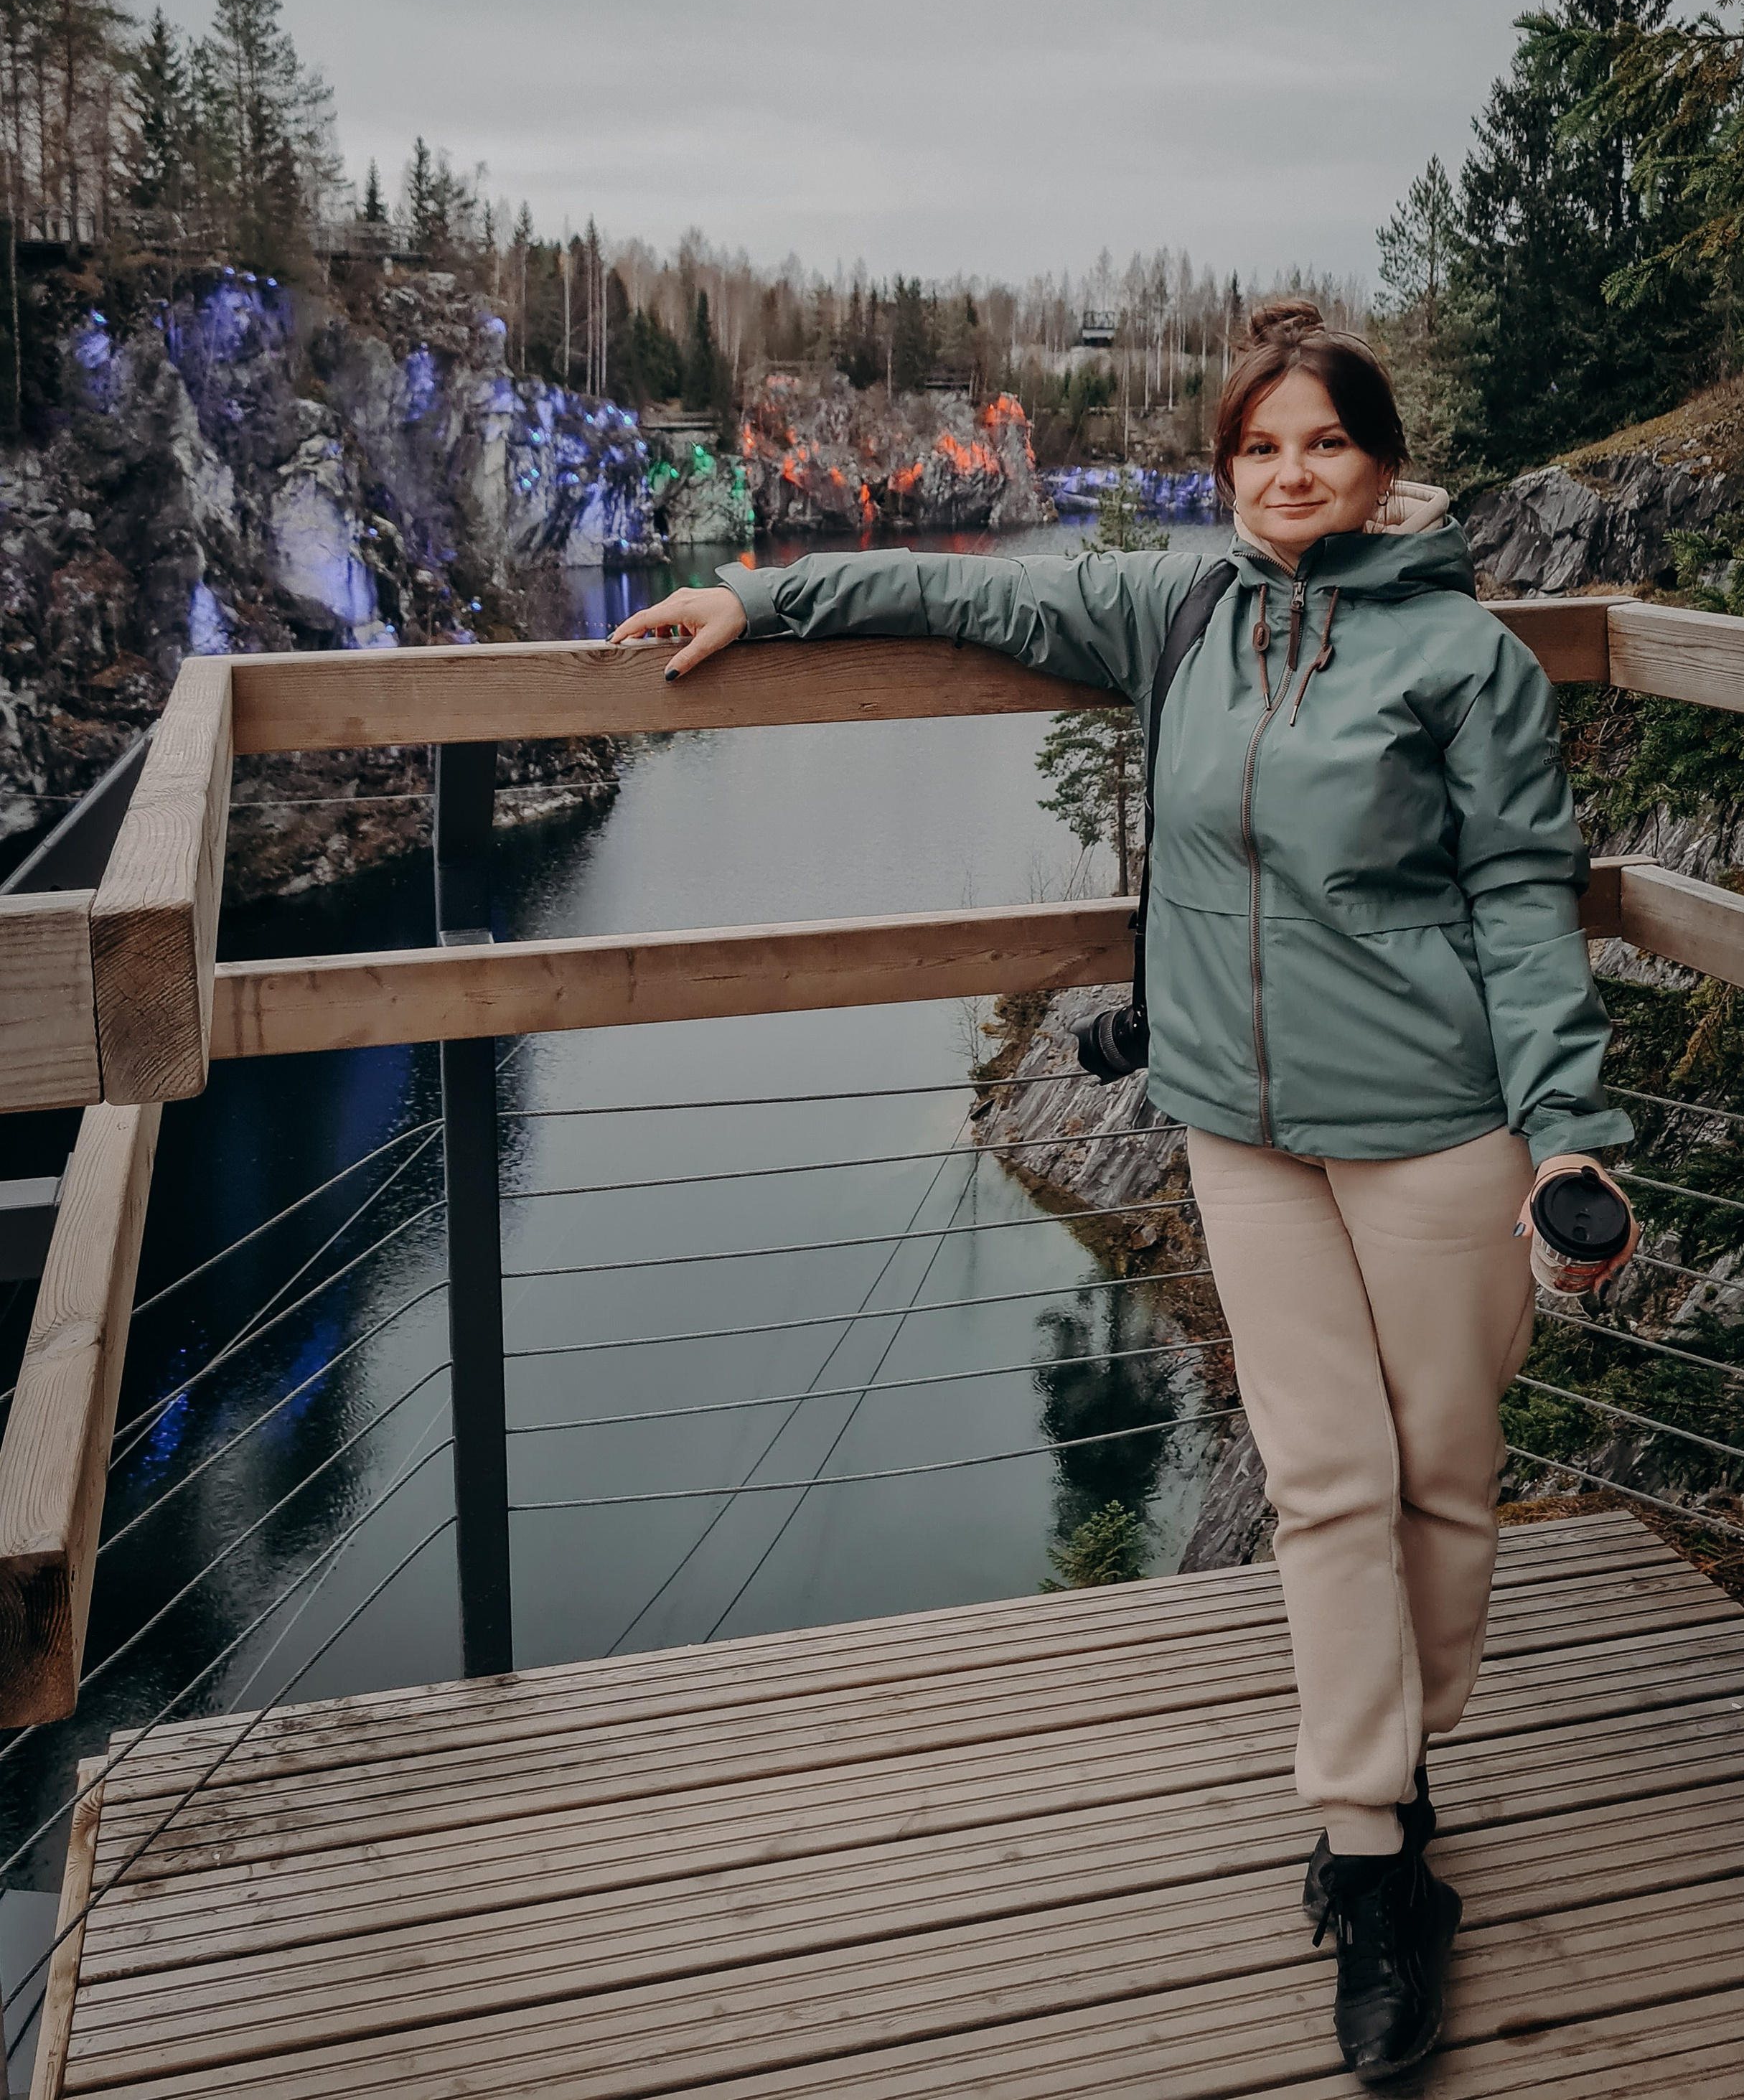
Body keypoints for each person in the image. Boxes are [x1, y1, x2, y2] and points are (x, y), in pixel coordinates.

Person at [611, 298, 1636, 2084]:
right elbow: (966, 595)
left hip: (1433, 1127)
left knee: (1442, 1477)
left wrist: (1563, 1131)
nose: (1291, 471)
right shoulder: (1177, 608)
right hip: (1238, 1124)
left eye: (1323, 441)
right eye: (1259, 446)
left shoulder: (1463, 661)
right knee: (1324, 1480)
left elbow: (1522, 907)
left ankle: (1398, 1750)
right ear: (1223, 467)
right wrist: (763, 597)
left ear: (1380, 463)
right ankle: (1372, 1859)